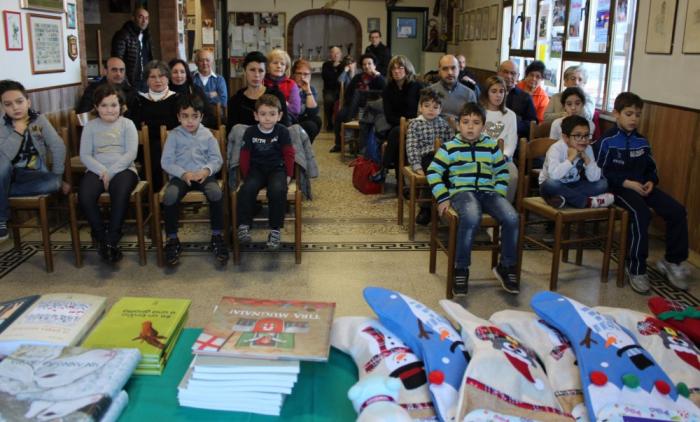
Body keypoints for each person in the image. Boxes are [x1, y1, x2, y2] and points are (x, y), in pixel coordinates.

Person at [597, 92, 690, 294]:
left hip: (643, 187)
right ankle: (636, 267)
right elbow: (600, 172)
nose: (634, 119)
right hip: (618, 189)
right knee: (641, 214)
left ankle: (672, 261)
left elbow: (651, 168)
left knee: (677, 210)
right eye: (629, 114)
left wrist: (650, 181)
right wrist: (626, 182)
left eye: (638, 115)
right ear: (616, 114)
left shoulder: (642, 141)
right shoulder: (606, 141)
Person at [427, 102, 519, 296]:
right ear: (458, 125)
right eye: (465, 122)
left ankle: (506, 266)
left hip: (489, 193)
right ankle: (461, 268)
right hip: (462, 193)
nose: (470, 126)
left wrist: (499, 196)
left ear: (483, 127)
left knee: (512, 217)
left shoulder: (491, 146)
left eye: (476, 122)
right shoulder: (449, 147)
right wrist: (442, 197)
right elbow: (433, 172)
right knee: (470, 216)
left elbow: (502, 172)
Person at [160, 94, 227, 266]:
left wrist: (206, 170)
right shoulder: (173, 135)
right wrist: (183, 174)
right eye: (185, 116)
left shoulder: (208, 135)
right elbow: (166, 161)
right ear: (178, 117)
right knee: (170, 196)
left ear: (201, 117)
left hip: (203, 175)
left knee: (216, 193)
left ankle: (217, 235)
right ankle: (173, 239)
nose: (190, 121)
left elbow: (217, 159)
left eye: (194, 116)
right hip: (181, 176)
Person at [0, 80, 68, 241]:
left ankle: (1, 194)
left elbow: (58, 146)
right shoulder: (2, 125)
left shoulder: (39, 120)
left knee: (55, 184)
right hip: (8, 174)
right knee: (1, 164)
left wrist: (58, 175)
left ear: (28, 102)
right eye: (8, 104)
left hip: (34, 175)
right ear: (2, 107)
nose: (15, 107)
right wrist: (18, 132)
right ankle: (1, 219)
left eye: (19, 101)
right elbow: (5, 157)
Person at [78, 84, 138, 263]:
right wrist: (103, 171)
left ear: (121, 107)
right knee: (85, 195)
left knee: (119, 193)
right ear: (96, 107)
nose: (109, 110)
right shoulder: (90, 126)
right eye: (104, 105)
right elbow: (85, 155)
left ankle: (112, 237)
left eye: (113, 105)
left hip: (124, 169)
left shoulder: (128, 124)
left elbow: (130, 154)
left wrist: (110, 173)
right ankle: (100, 236)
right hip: (97, 169)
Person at [236, 94, 294, 250]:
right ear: (256, 115)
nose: (267, 118)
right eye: (263, 114)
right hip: (256, 170)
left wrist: (288, 174)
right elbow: (244, 155)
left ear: (279, 115)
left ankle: (275, 229)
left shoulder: (282, 131)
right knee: (247, 189)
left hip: (277, 169)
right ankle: (243, 225)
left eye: (272, 114)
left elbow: (289, 153)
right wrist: (246, 175)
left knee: (277, 190)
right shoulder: (250, 132)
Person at [539, 115, 613, 209]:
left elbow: (594, 178)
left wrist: (587, 159)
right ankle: (588, 202)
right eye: (578, 136)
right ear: (565, 137)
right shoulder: (556, 149)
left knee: (602, 184)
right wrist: (570, 158)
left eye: (586, 135)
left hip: (573, 185)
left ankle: (563, 199)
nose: (583, 140)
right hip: (552, 185)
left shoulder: (588, 148)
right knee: (550, 184)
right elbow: (554, 176)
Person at [405, 89, 453, 226]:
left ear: (440, 109)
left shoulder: (443, 124)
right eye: (427, 106)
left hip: (443, 157)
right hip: (426, 157)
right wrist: (416, 165)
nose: (431, 110)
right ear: (420, 107)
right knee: (434, 172)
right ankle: (427, 209)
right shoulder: (415, 124)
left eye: (435, 107)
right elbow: (411, 146)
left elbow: (451, 143)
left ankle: (447, 205)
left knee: (450, 172)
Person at [133, 60, 180, 191]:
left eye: (162, 76)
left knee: (158, 148)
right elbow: (136, 126)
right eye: (152, 77)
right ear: (147, 80)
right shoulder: (139, 101)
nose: (157, 80)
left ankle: (155, 193)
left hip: (173, 146)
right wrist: (161, 126)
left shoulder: (177, 99)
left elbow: (176, 125)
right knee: (154, 148)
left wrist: (149, 126)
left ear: (168, 78)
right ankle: (157, 197)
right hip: (144, 148)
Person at [379, 55, 424, 179]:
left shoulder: (417, 86)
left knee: (397, 134)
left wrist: (411, 122)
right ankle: (400, 184)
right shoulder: (388, 89)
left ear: (407, 69)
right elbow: (389, 116)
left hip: (416, 125)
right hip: (396, 125)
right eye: (393, 69)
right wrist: (403, 123)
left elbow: (423, 110)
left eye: (400, 68)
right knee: (399, 136)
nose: (397, 71)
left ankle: (384, 168)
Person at [330, 53, 386, 153]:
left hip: (372, 106)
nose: (367, 66)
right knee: (339, 115)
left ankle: (350, 122)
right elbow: (348, 94)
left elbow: (385, 92)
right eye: (364, 64)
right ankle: (338, 144)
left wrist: (378, 76)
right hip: (354, 105)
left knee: (359, 93)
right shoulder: (358, 77)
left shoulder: (379, 78)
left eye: (369, 64)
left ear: (374, 65)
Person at [227, 51, 290, 131]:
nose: (256, 75)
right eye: (252, 70)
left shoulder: (276, 95)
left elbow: (284, 127)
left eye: (260, 71)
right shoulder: (235, 100)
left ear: (265, 73)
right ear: (244, 71)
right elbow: (231, 133)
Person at [479, 75, 519, 203]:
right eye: (494, 91)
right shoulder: (480, 113)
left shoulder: (510, 115)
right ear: (487, 93)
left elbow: (512, 140)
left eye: (501, 91)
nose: (498, 95)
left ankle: (503, 209)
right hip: (481, 157)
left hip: (504, 159)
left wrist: (505, 156)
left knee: (511, 176)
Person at [111, 6, 153, 90]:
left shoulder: (147, 37)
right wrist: (126, 84)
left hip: (145, 82)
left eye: (147, 18)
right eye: (141, 17)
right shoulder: (123, 35)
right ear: (133, 18)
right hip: (131, 84)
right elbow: (117, 61)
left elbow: (148, 59)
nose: (144, 21)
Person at [429, 55, 477, 126]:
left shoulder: (469, 94)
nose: (450, 72)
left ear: (459, 69)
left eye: (453, 68)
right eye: (445, 69)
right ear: (439, 71)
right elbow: (422, 119)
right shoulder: (429, 91)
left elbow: (474, 121)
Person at [168, 58, 216, 129]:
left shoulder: (196, 90)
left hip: (196, 131)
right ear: (168, 74)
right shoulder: (165, 92)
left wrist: (195, 124)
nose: (179, 75)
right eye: (175, 72)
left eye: (182, 72)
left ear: (187, 74)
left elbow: (209, 116)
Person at [497, 60, 537, 140]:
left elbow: (531, 125)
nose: (508, 76)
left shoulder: (526, 98)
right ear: (498, 73)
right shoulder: (488, 93)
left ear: (518, 76)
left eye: (513, 73)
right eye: (505, 72)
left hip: (514, 140)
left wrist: (512, 125)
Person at [264, 49, 301, 120]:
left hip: (286, 119)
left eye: (282, 64)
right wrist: (284, 104)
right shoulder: (262, 82)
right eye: (275, 63)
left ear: (286, 68)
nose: (279, 66)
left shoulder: (291, 84)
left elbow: (296, 110)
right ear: (268, 66)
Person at [291, 59, 322, 143]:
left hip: (302, 118)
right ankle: (304, 149)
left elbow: (312, 113)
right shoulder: (289, 86)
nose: (302, 77)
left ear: (310, 76)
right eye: (299, 73)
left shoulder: (311, 89)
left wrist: (308, 91)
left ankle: (305, 148)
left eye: (305, 74)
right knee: (311, 126)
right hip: (291, 120)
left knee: (317, 120)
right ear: (294, 75)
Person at [321, 46, 344, 131]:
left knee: (345, 101)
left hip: (341, 90)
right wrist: (336, 76)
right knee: (329, 100)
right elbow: (326, 78)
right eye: (333, 53)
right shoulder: (326, 65)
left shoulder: (344, 64)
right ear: (330, 54)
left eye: (337, 53)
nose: (335, 55)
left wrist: (335, 76)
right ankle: (329, 123)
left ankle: (340, 123)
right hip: (329, 90)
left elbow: (341, 79)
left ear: (340, 54)